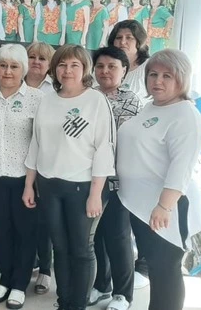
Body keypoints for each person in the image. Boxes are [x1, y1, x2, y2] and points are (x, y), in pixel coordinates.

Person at [24, 44, 116, 310]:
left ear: (85, 69)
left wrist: (95, 194)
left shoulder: (95, 100)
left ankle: (78, 304)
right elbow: (36, 143)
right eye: (62, 65)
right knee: (60, 248)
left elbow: (104, 149)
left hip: (83, 187)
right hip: (49, 185)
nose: (67, 70)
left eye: (74, 65)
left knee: (82, 249)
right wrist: (29, 184)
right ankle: (64, 301)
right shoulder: (47, 100)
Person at [117, 49, 201, 310]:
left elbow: (182, 167)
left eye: (167, 75)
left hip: (166, 207)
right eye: (153, 74)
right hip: (139, 205)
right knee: (155, 268)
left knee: (165, 270)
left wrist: (164, 206)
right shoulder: (151, 107)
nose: (158, 81)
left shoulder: (186, 115)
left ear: (182, 79)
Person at [0, 44, 42, 310]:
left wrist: (31, 183)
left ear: (23, 69)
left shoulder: (37, 99)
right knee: (1, 230)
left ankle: (20, 284)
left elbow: (39, 142)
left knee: (25, 232)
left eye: (14, 66)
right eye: (3, 65)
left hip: (25, 179)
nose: (8, 71)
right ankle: (5, 278)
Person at [89, 47, 144, 310]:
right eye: (100, 66)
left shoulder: (132, 101)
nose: (105, 71)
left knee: (118, 235)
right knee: (96, 234)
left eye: (112, 66)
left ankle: (123, 294)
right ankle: (102, 286)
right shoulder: (88, 97)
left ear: (124, 70)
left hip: (118, 177)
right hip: (89, 177)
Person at [23, 41, 56, 294]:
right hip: (14, 162)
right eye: (32, 57)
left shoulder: (54, 90)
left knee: (43, 220)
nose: (36, 62)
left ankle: (45, 269)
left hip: (43, 163)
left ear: (50, 64)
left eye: (42, 59)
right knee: (22, 218)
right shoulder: (15, 82)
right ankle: (27, 263)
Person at [108, 20, 150, 100]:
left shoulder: (148, 67)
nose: (122, 42)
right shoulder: (104, 65)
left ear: (139, 42)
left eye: (129, 38)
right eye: (119, 38)